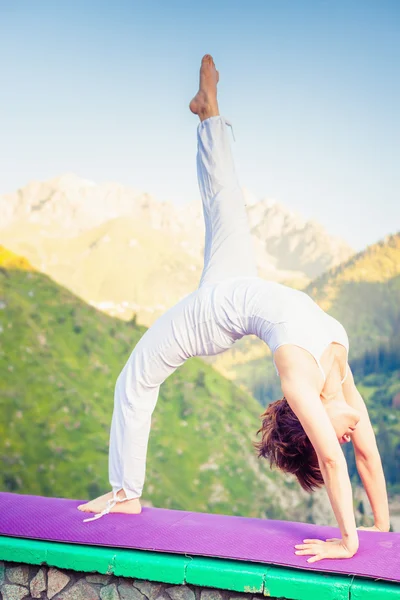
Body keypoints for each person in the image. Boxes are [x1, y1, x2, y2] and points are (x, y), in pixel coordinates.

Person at [78, 55, 390, 561]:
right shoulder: (330, 370)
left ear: (311, 428)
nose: (352, 430)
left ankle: (124, 493)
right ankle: (209, 112)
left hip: (214, 316)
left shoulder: (308, 377)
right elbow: (347, 457)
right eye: (342, 431)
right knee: (227, 203)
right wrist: (358, 538)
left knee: (134, 379)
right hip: (234, 287)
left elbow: (350, 457)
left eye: (334, 432)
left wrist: (375, 532)